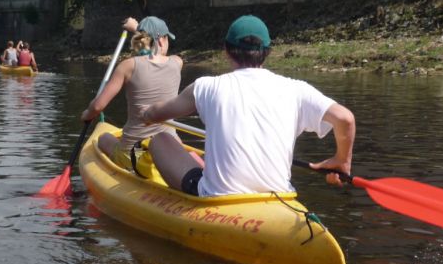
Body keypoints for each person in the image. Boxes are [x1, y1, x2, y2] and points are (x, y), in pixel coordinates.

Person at [141, 15, 356, 196]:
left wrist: (146, 114)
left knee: (159, 139)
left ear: (226, 50)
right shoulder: (297, 89)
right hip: (280, 196)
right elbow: (345, 118)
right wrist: (342, 161)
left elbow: (158, 113)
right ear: (268, 52)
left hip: (218, 199)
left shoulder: (206, 87)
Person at [81, 16, 183, 169]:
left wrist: (86, 115)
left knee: (103, 138)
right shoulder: (177, 62)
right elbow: (156, 54)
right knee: (175, 138)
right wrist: (138, 30)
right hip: (168, 151)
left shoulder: (127, 66)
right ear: (162, 40)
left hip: (133, 153)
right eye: (167, 38)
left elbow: (97, 107)